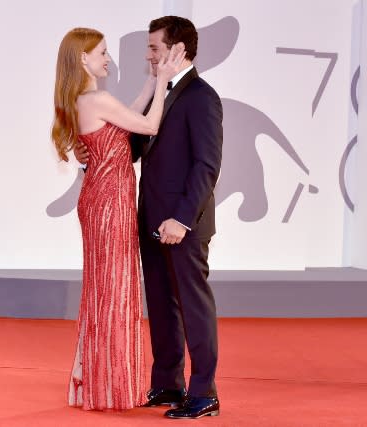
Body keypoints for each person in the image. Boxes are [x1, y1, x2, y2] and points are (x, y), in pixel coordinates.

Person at [75, 16, 224, 419]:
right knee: (160, 304)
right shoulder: (166, 92)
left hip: (181, 224)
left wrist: (182, 219)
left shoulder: (202, 97)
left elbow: (206, 166)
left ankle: (203, 392)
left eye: (154, 48)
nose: (148, 55)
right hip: (149, 220)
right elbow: (133, 148)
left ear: (179, 50)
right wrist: (92, 150)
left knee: (193, 306)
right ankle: (168, 383)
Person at [51, 27, 185, 411]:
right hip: (109, 203)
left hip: (102, 200)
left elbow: (131, 110)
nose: (108, 58)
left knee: (105, 290)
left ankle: (98, 379)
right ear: (83, 59)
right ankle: (108, 384)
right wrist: (162, 81)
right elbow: (149, 125)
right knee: (113, 291)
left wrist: (151, 82)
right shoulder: (96, 98)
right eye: (103, 52)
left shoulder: (86, 99)